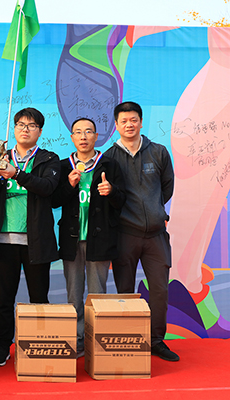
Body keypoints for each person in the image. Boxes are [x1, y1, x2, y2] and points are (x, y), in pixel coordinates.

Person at [0, 107, 60, 367]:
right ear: (14, 129)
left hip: (37, 242)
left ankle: (38, 345)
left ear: (40, 131)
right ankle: (2, 347)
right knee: (4, 300)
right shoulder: (1, 155)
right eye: (21, 124)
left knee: (39, 299)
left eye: (31, 125)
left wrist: (17, 174)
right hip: (5, 242)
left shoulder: (49, 159)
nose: (25, 129)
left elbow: (47, 188)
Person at [104, 101, 178, 361]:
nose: (129, 125)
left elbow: (167, 187)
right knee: (124, 291)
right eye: (124, 121)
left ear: (141, 122)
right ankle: (129, 339)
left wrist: (155, 211)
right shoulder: (109, 157)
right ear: (116, 125)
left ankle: (156, 341)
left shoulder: (158, 152)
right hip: (125, 234)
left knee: (159, 290)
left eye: (133, 120)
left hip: (156, 235)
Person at [52, 117, 126, 356]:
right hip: (71, 239)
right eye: (78, 132)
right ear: (72, 137)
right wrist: (69, 185)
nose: (83, 137)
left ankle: (96, 340)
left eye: (88, 132)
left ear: (96, 136)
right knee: (73, 295)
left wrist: (111, 191)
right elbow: (53, 201)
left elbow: (122, 200)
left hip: (99, 239)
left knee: (97, 294)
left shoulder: (110, 165)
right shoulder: (63, 166)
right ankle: (77, 339)